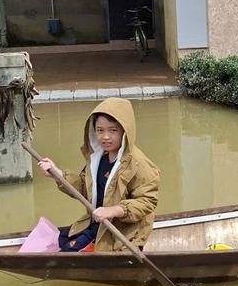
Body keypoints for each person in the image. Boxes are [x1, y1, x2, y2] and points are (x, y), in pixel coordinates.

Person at [37, 97, 160, 252]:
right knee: (61, 238)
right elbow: (85, 187)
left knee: (68, 252)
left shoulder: (139, 164)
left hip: (121, 230)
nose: (105, 137)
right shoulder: (98, 157)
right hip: (97, 222)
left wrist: (113, 210)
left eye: (113, 130)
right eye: (100, 130)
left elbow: (147, 202)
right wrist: (58, 174)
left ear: (125, 131)